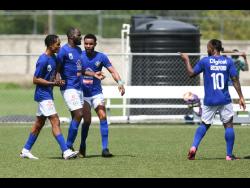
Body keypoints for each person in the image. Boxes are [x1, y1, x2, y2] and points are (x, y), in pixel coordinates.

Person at [179, 39, 246, 161]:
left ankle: (194, 147)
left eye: (208, 47)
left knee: (205, 124)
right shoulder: (228, 61)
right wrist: (241, 97)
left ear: (213, 48)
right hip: (224, 99)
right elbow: (235, 79)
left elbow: (191, 74)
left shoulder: (205, 61)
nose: (207, 49)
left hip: (209, 100)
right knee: (229, 125)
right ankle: (229, 155)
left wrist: (186, 60)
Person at [20, 34, 78, 160]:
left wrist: (58, 81)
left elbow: (54, 74)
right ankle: (66, 151)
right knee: (55, 120)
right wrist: (52, 83)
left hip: (48, 94)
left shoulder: (54, 57)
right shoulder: (43, 60)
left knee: (39, 124)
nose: (59, 46)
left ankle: (25, 150)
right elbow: (35, 79)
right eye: (58, 44)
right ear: (51, 45)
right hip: (43, 95)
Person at [56, 28, 104, 152]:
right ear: (71, 37)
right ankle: (66, 147)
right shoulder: (63, 51)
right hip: (68, 87)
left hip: (79, 88)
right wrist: (57, 78)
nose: (81, 38)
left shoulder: (78, 50)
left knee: (76, 118)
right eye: (79, 35)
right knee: (79, 114)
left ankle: (69, 147)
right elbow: (57, 67)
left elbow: (81, 70)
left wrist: (93, 74)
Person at [78, 33, 125, 158]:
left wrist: (120, 82)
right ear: (84, 43)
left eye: (91, 44)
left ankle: (105, 149)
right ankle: (82, 145)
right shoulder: (79, 56)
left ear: (95, 44)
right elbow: (74, 72)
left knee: (103, 116)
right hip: (83, 94)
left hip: (96, 93)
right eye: (86, 43)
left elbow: (113, 70)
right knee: (87, 120)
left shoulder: (101, 57)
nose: (88, 46)